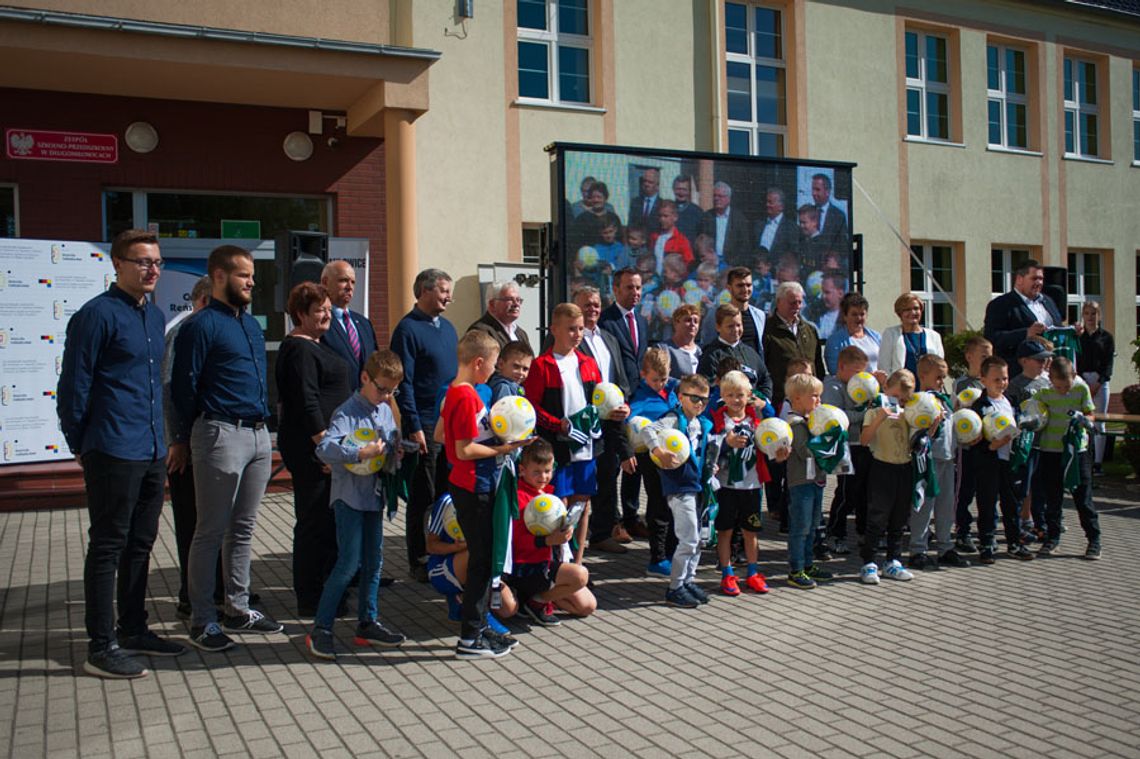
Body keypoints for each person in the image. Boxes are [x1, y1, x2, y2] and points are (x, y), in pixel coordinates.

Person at [58, 229, 185, 679]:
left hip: (151, 449)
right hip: (112, 448)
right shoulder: (96, 316)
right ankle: (101, 644)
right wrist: (83, 445)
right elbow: (74, 387)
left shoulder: (152, 317)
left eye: (157, 262)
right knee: (108, 545)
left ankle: (134, 629)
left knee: (141, 543)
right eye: (142, 262)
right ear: (117, 264)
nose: (152, 270)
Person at [170, 245, 282, 652]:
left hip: (256, 435)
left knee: (244, 528)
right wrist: (181, 437)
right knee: (210, 530)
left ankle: (237, 607)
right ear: (218, 276)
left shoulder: (250, 326)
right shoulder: (199, 326)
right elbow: (183, 387)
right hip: (219, 433)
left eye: (252, 275)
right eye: (242, 275)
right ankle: (203, 618)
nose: (251, 281)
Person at [306, 350, 406, 660]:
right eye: (382, 389)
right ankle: (320, 629)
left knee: (373, 562)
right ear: (365, 377)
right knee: (348, 563)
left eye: (392, 391)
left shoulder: (385, 410)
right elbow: (325, 449)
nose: (386, 396)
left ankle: (368, 622)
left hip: (374, 496)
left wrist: (396, 451)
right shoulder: (346, 412)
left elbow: (389, 442)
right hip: (349, 497)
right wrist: (360, 453)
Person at [443, 331, 530, 659]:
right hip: (473, 487)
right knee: (480, 564)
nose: (494, 371)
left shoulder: (457, 392)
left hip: (473, 484)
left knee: (483, 561)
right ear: (478, 363)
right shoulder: (465, 397)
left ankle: (479, 628)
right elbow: (463, 450)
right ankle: (469, 638)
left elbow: (444, 434)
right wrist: (505, 447)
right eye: (493, 365)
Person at [275, 282, 353, 617]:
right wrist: (326, 447)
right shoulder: (299, 349)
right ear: (300, 314)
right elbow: (306, 402)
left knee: (327, 520)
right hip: (314, 452)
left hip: (329, 447)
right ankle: (310, 596)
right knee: (314, 521)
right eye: (318, 310)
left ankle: (328, 589)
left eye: (327, 309)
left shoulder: (318, 344)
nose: (325, 315)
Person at [524, 303, 608, 564]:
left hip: (586, 447)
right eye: (571, 329)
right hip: (558, 448)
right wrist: (557, 424)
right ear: (554, 329)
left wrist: (611, 411)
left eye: (581, 329)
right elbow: (532, 407)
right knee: (558, 507)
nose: (577, 334)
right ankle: (558, 561)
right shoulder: (542, 365)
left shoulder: (588, 363)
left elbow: (599, 399)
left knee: (582, 508)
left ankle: (578, 562)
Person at [391, 268, 459, 582]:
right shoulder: (407, 329)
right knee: (424, 494)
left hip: (450, 422)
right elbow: (403, 383)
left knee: (447, 493)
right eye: (444, 290)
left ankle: (445, 549)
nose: (449, 296)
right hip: (425, 424)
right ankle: (419, 558)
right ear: (425, 291)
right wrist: (414, 425)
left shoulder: (447, 328)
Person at [163, 275, 217, 620]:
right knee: (193, 521)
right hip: (188, 446)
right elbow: (170, 389)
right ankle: (191, 594)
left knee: (216, 521)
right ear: (202, 300)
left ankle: (221, 588)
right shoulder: (183, 331)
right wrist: (177, 440)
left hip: (210, 442)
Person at [507, 439, 597, 625]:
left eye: (547, 471)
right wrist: (547, 541)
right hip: (527, 567)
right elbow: (516, 541)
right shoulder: (519, 497)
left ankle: (538, 599)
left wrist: (566, 530)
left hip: (548, 563)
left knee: (587, 606)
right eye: (536, 472)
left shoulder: (548, 495)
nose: (543, 477)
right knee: (580, 575)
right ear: (522, 470)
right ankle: (536, 601)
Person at [572, 287, 635, 554]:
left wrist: (624, 404)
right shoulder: (571, 341)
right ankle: (574, 540)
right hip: (586, 421)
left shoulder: (608, 338)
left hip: (612, 421)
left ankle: (601, 533)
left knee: (609, 476)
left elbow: (619, 377)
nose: (593, 309)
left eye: (596, 305)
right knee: (584, 481)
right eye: (586, 305)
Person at [645, 374, 715, 608]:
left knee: (698, 540)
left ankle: (688, 580)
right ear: (680, 397)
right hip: (679, 487)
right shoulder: (673, 418)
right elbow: (648, 431)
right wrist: (659, 451)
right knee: (689, 538)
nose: (699, 404)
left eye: (704, 400)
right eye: (694, 398)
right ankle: (675, 587)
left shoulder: (700, 423)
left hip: (697, 487)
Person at [763, 281, 826, 532]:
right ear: (779, 302)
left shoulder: (809, 330)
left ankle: (793, 514)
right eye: (792, 302)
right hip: (781, 403)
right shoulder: (768, 330)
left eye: (799, 302)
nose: (796, 307)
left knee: (800, 460)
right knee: (778, 460)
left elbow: (818, 368)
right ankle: (777, 507)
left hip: (808, 406)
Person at [1033, 356, 1103, 559]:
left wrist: (1084, 419)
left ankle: (1094, 540)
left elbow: (1091, 414)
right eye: (1059, 386)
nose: (1063, 390)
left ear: (1074, 376)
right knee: (1052, 499)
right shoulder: (1044, 393)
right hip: (1050, 451)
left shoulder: (1081, 390)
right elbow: (1035, 414)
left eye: (1067, 385)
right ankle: (1052, 539)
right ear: (1051, 379)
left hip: (1076, 452)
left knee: (1083, 498)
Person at [710, 370, 773, 596]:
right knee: (725, 531)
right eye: (730, 395)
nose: (736, 400)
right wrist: (726, 443)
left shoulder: (757, 420)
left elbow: (770, 442)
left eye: (740, 395)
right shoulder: (717, 420)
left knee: (751, 531)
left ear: (749, 395)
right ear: (722, 396)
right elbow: (710, 449)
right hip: (726, 486)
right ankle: (727, 573)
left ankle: (753, 573)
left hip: (752, 485)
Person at [600, 269, 651, 537]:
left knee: (636, 461)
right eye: (629, 288)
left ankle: (631, 516)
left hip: (637, 400)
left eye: (639, 288)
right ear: (616, 290)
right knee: (614, 462)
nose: (635, 293)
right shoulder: (605, 321)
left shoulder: (642, 321)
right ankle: (613, 520)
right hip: (614, 402)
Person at [425, 492, 519, 635]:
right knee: (478, 553)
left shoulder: (495, 497)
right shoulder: (448, 501)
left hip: (480, 564)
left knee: (509, 609)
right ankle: (481, 615)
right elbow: (431, 546)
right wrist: (457, 547)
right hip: (443, 568)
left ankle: (462, 600)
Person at [970, 356, 1034, 564]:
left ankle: (1014, 542)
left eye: (1005, 378)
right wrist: (990, 446)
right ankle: (987, 544)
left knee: (1011, 503)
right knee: (987, 504)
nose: (1002, 383)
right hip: (988, 462)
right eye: (996, 379)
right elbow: (973, 439)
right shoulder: (979, 407)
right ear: (984, 380)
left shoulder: (1011, 401)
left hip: (1010, 462)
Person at [858, 369, 918, 585]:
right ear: (885, 390)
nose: (899, 401)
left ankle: (893, 561)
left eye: (903, 398)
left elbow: (918, 441)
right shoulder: (874, 411)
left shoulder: (909, 412)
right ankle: (869, 563)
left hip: (905, 467)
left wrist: (934, 423)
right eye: (896, 396)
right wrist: (880, 417)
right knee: (877, 517)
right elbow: (864, 440)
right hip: (882, 466)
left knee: (899, 518)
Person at [908, 355, 965, 569]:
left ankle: (945, 547)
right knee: (924, 506)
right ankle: (918, 550)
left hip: (948, 458)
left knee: (946, 506)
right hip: (928, 460)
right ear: (923, 376)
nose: (942, 381)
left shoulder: (945, 399)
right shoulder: (920, 401)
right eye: (938, 377)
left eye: (944, 377)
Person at [628, 348, 681, 576]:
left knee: (672, 505)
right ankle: (657, 558)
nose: (660, 383)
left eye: (664, 378)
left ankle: (671, 552)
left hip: (675, 455)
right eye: (655, 379)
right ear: (643, 375)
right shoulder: (640, 397)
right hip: (651, 456)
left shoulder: (672, 389)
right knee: (658, 504)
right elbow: (631, 423)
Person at [783, 372, 835, 589]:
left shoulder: (811, 422)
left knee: (813, 524)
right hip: (800, 482)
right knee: (801, 526)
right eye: (814, 396)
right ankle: (796, 569)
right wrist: (824, 440)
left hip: (816, 480)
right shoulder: (796, 423)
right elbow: (805, 451)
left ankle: (808, 564)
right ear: (796, 399)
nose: (819, 401)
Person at [821, 346, 871, 557]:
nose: (861, 377)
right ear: (841, 367)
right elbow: (839, 417)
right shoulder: (832, 387)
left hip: (864, 445)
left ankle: (863, 531)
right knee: (845, 493)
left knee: (864, 493)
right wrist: (864, 413)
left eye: (863, 372)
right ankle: (835, 534)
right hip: (846, 448)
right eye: (856, 371)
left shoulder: (862, 387)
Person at [983, 259, 1062, 375]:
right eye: (1034, 278)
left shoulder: (1048, 301)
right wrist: (1026, 333)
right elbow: (992, 338)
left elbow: (1057, 328)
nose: (1039, 283)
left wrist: (1073, 332)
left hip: (1051, 371)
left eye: (1041, 279)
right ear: (1019, 279)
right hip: (1020, 373)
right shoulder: (1001, 304)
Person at [953, 335, 992, 554]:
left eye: (990, 356)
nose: (988, 360)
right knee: (964, 490)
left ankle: (986, 533)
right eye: (984, 356)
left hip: (988, 447)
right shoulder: (962, 383)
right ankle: (963, 531)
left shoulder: (992, 381)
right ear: (969, 357)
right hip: (967, 448)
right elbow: (958, 414)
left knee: (987, 492)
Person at [320, 260, 378, 389]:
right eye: (343, 280)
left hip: (365, 403)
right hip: (335, 403)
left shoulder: (364, 324)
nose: (349, 287)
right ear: (325, 282)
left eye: (353, 282)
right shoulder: (320, 322)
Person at [697, 304, 773, 399]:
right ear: (718, 327)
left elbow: (765, 378)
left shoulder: (750, 353)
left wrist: (763, 400)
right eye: (730, 326)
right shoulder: (711, 355)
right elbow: (706, 388)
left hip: (754, 409)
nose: (736, 330)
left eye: (738, 325)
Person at [698, 266, 767, 360]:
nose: (745, 289)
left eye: (748, 285)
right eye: (740, 285)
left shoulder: (759, 315)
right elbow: (707, 346)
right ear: (729, 288)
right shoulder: (716, 313)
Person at [1077, 301, 1114, 473]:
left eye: (1094, 313)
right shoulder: (1078, 336)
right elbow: (1075, 361)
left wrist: (1099, 383)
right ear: (1083, 315)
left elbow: (1108, 363)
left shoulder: (1106, 337)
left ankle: (1098, 463)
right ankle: (1083, 458)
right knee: (1082, 421)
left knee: (1099, 422)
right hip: (1082, 380)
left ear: (1099, 315)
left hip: (1100, 382)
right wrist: (1084, 383)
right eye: (1087, 313)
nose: (1090, 317)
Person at [878, 293, 945, 376]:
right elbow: (884, 366)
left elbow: (940, 365)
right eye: (907, 309)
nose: (913, 312)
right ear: (900, 313)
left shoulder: (934, 336)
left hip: (928, 387)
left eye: (916, 308)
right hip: (902, 386)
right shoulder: (890, 334)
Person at [823, 292, 882, 376]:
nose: (858, 318)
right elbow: (835, 371)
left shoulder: (876, 337)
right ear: (845, 316)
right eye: (854, 314)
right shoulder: (834, 341)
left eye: (862, 314)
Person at [466, 280, 533, 352]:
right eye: (509, 299)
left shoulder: (521, 333)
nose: (516, 304)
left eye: (518, 300)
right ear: (492, 304)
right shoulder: (480, 331)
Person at [699, 181, 752, 267]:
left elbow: (744, 247)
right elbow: (702, 241)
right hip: (710, 265)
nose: (716, 199)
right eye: (715, 196)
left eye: (720, 196)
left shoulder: (739, 218)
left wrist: (730, 264)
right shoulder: (707, 217)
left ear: (728, 199)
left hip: (732, 265)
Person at [755, 187, 800, 261]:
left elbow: (793, 254)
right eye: (766, 202)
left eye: (770, 202)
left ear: (781, 207)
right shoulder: (759, 225)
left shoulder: (790, 228)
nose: (767, 205)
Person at [810, 173, 850, 253]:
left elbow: (843, 246)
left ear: (827, 192)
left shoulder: (838, 216)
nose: (814, 193)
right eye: (813, 189)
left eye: (817, 190)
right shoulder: (808, 213)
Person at [649, 200, 694, 272]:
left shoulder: (681, 240)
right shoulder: (654, 236)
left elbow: (688, 262)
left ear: (675, 217)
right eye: (660, 216)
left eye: (665, 216)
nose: (662, 219)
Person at [660, 304, 702, 378]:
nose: (693, 324)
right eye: (688, 320)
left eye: (696, 321)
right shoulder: (663, 349)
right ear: (676, 323)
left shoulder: (701, 352)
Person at [488, 340, 533, 404]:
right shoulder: (503, 387)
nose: (521, 372)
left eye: (525, 369)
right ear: (501, 364)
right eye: (516, 366)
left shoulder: (515, 387)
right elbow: (504, 412)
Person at [628, 167, 662, 236]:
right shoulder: (635, 202)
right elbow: (631, 225)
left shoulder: (662, 204)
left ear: (657, 185)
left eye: (650, 182)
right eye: (645, 181)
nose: (646, 184)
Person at [812, 273, 844, 342]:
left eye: (827, 292)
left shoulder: (845, 319)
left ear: (840, 293)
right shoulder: (817, 317)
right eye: (822, 292)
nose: (823, 296)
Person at [672, 174, 703, 244]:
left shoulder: (697, 212)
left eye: (684, 189)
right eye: (678, 189)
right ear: (673, 190)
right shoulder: (668, 209)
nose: (681, 193)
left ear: (689, 191)